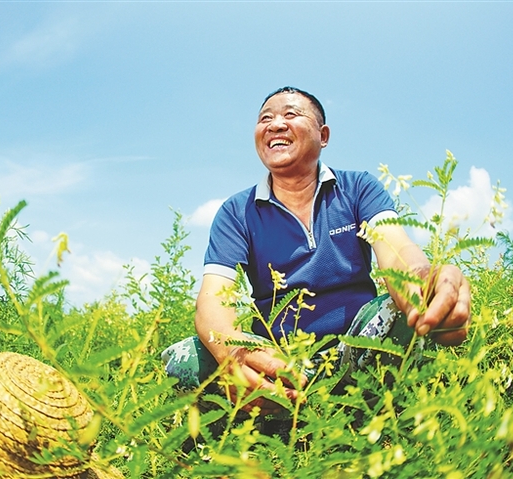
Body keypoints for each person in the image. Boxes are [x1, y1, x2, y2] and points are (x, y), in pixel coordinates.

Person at [162, 86, 470, 416]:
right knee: (184, 360)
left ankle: (369, 414)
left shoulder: (358, 188)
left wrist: (424, 284)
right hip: (281, 364)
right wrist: (234, 351)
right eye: (265, 118)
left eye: (290, 115)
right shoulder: (237, 211)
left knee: (398, 312)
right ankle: (270, 422)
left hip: (358, 348)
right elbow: (212, 299)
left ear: (323, 136)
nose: (275, 125)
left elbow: (397, 251)